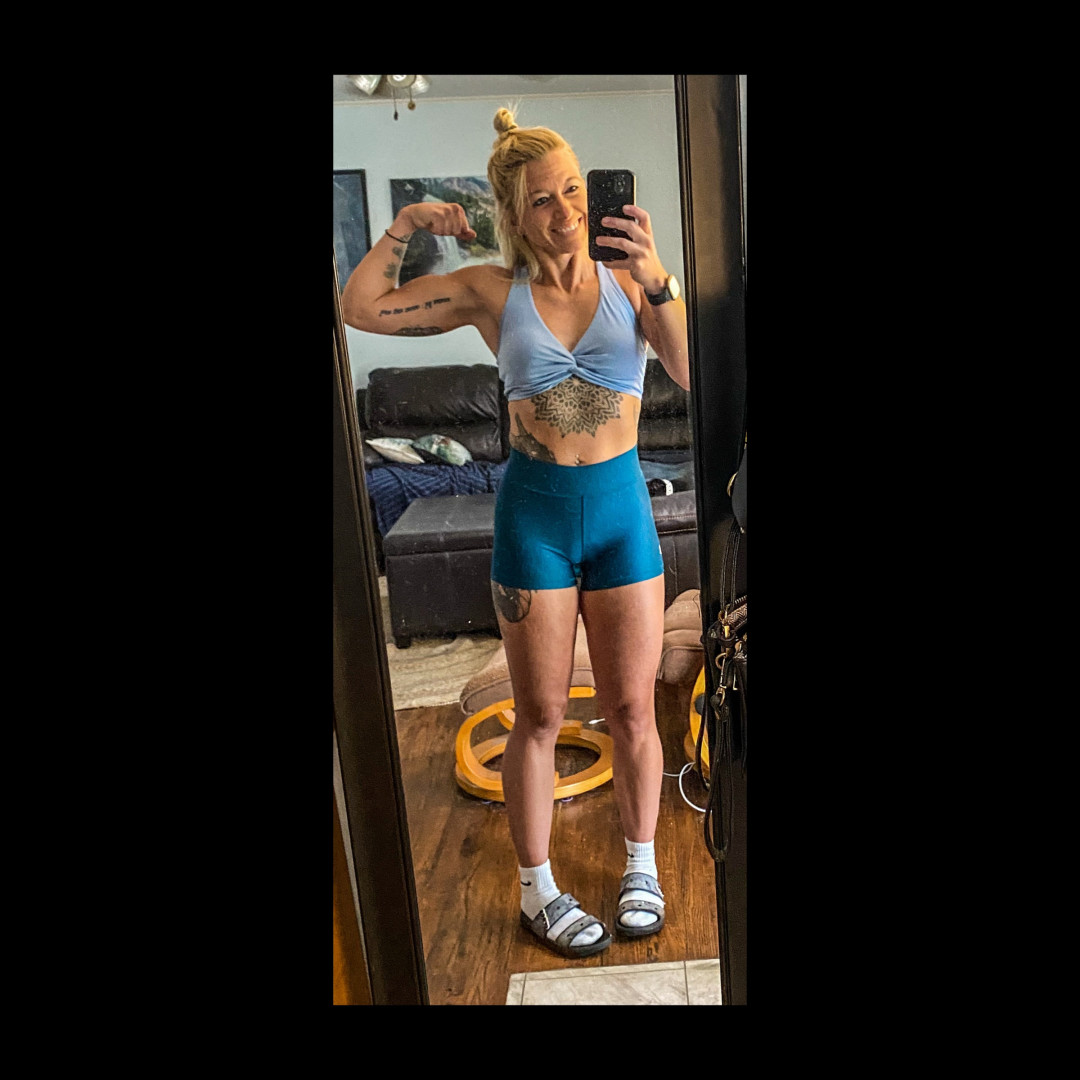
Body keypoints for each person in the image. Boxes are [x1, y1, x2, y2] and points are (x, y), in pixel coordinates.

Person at [341, 107, 689, 959]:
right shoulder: (491, 292)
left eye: (573, 189)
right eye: (542, 199)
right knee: (537, 714)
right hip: (533, 521)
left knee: (633, 709)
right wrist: (407, 225)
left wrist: (656, 278)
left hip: (622, 519)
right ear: (514, 213)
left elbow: (690, 372)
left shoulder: (633, 279)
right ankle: (538, 892)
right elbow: (360, 309)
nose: (565, 210)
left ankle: (640, 866)